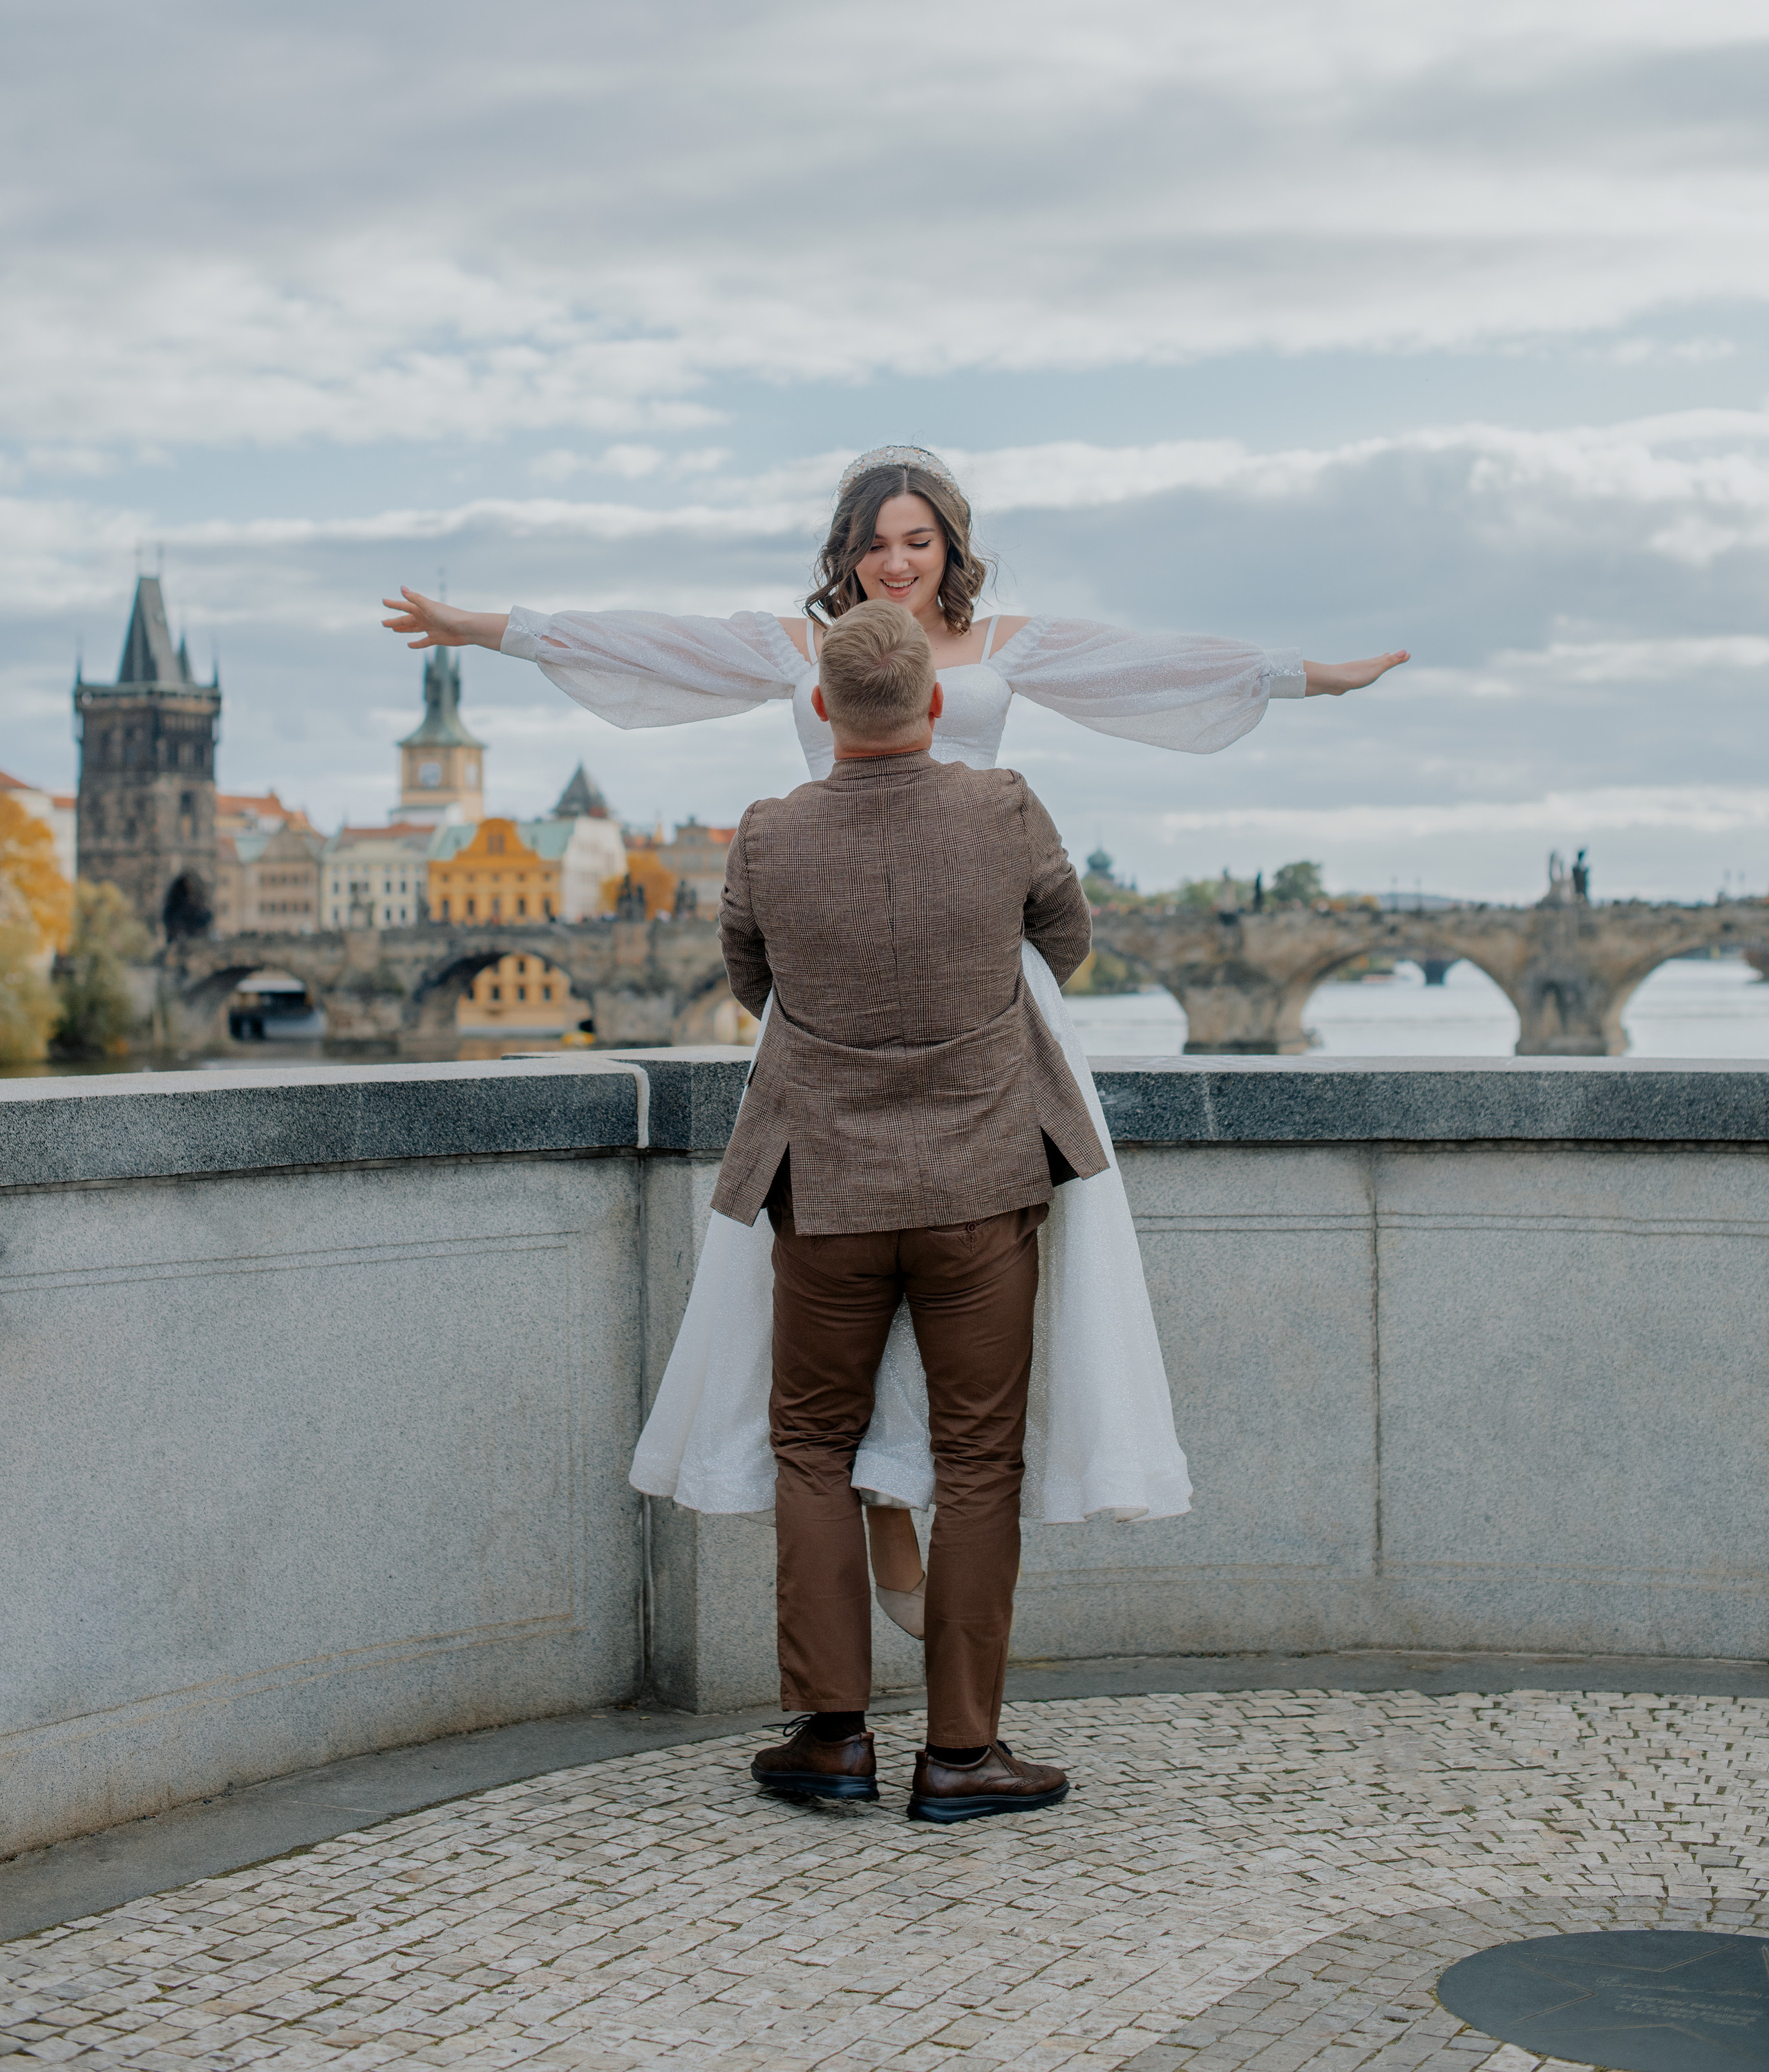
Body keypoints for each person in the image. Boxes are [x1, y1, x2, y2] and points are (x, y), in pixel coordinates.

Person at [381, 442, 1407, 1629]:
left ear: (950, 549)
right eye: (875, 542)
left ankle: (928, 1518)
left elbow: (1153, 667)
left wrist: (1302, 675)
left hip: (986, 994)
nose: (895, 561)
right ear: (848, 553)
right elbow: (647, 640)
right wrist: (487, 627)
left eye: (917, 541)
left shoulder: (1006, 645)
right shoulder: (804, 646)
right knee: (836, 1272)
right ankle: (880, 1508)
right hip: (843, 1007)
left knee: (983, 1264)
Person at [724, 597, 1093, 1815]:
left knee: (813, 1448)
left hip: (825, 1189)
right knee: (979, 1459)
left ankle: (831, 1738)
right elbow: (1066, 939)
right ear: (936, 703)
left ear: (823, 709)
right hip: (984, 1180)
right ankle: (962, 1754)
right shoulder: (1002, 806)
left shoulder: (768, 835)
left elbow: (751, 978)